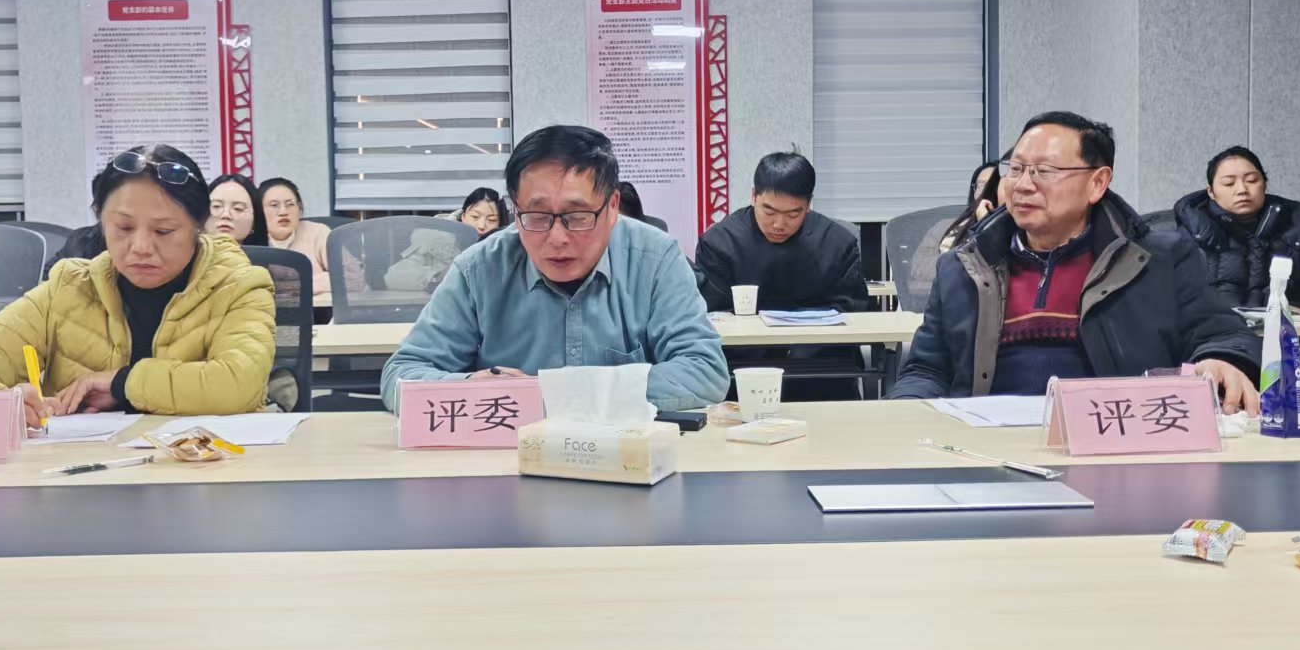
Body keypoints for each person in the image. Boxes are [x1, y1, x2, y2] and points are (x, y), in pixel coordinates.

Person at [891, 112, 1262, 413]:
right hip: (985, 450)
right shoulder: (964, 266)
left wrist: (1222, 359)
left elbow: (1224, 335)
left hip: (1116, 447)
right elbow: (927, 368)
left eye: (1044, 171)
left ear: (1097, 183)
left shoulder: (1159, 260)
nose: (1023, 184)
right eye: (1015, 169)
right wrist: (906, 410)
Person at [0, 144, 275, 425]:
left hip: (209, 476)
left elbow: (237, 384)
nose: (140, 246)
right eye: (123, 227)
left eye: (164, 231)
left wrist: (122, 383)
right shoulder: (69, 288)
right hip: (88, 476)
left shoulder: (238, 285)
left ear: (199, 226)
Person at [381, 125, 729, 413]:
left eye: (578, 216)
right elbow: (401, 375)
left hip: (626, 456)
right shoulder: (480, 268)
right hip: (509, 461)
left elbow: (704, 371)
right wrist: (473, 388)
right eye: (536, 216)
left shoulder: (654, 258)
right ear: (515, 210)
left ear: (612, 207)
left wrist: (555, 394)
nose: (557, 238)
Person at [694, 152, 869, 313]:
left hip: (819, 337)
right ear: (754, 196)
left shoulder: (837, 244)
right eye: (769, 212)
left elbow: (854, 311)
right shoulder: (719, 244)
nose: (779, 225)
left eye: (793, 214)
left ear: (808, 204)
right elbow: (713, 314)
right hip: (745, 337)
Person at [1174, 146, 1300, 310]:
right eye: (1229, 183)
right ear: (1211, 192)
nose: (1242, 190)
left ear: (1264, 184)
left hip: (1285, 326)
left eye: (1252, 180)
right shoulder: (1193, 232)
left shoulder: (1295, 227)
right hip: (1217, 326)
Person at [259, 176, 331, 298]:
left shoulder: (318, 233)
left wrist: (291, 286)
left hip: (318, 309)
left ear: (300, 209)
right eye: (274, 205)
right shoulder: (251, 239)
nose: (283, 212)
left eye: (290, 204)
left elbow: (350, 278)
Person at [940, 160, 1002, 253]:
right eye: (980, 185)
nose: (984, 191)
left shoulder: (1012, 229)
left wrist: (984, 222)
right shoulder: (946, 227)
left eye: (990, 185)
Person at [206, 173, 268, 247]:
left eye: (238, 208)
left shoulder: (270, 254)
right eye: (216, 206)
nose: (226, 215)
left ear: (254, 222)